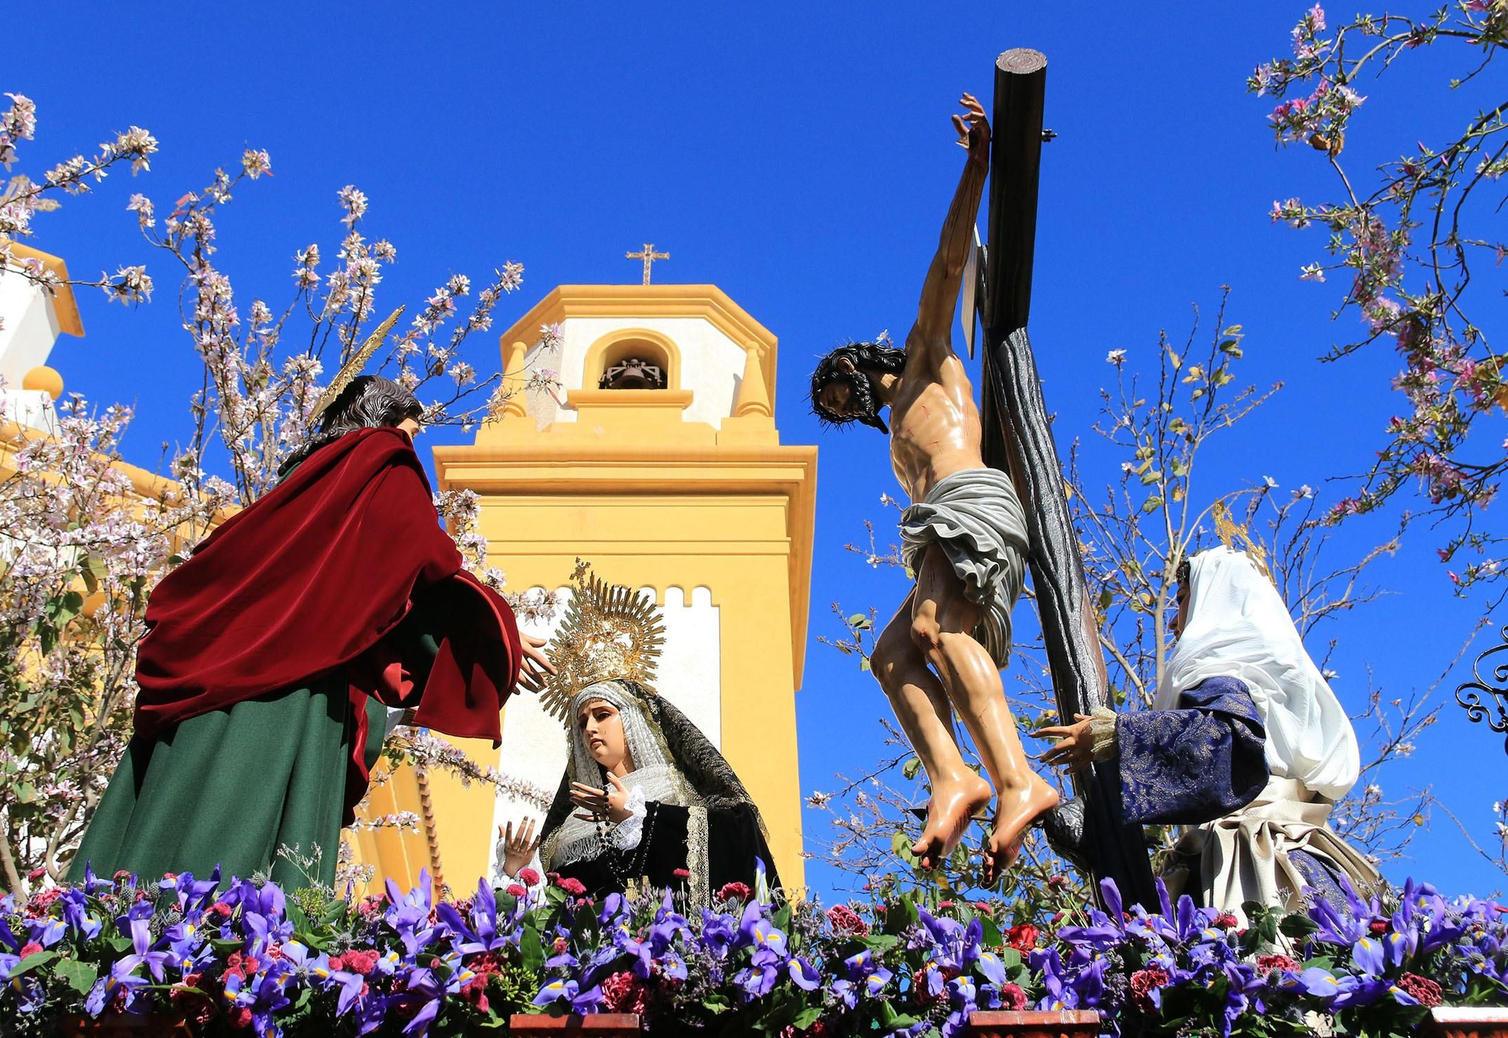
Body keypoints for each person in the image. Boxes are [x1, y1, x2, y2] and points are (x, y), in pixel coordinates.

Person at [71, 376, 552, 892]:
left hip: (204, 689)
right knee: (239, 865)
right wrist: (490, 631)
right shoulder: (380, 458)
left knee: (157, 847)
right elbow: (410, 557)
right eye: (411, 431)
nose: (411, 445)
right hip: (285, 691)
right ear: (385, 421)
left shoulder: (298, 482)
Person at [810, 92, 1056, 884]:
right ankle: (954, 776)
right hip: (940, 524)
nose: (841, 407)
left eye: (839, 391)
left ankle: (1018, 780)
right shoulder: (894, 437)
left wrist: (977, 163)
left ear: (862, 364)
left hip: (971, 501)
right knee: (891, 655)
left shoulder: (925, 359)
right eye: (834, 410)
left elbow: (950, 263)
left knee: (937, 629)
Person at [1035, 546, 1381, 915]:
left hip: (1252, 866)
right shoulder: (1276, 674)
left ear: (1215, 597)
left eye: (1182, 598)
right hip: (1302, 861)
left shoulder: (1225, 666)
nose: (1173, 622)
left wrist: (1118, 734)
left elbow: (1227, 745)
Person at [494, 566, 777, 909]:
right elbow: (557, 911)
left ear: (632, 720)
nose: (590, 728)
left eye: (602, 715)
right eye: (582, 722)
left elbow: (738, 830)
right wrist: (516, 870)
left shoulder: (677, 788)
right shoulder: (570, 827)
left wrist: (643, 817)